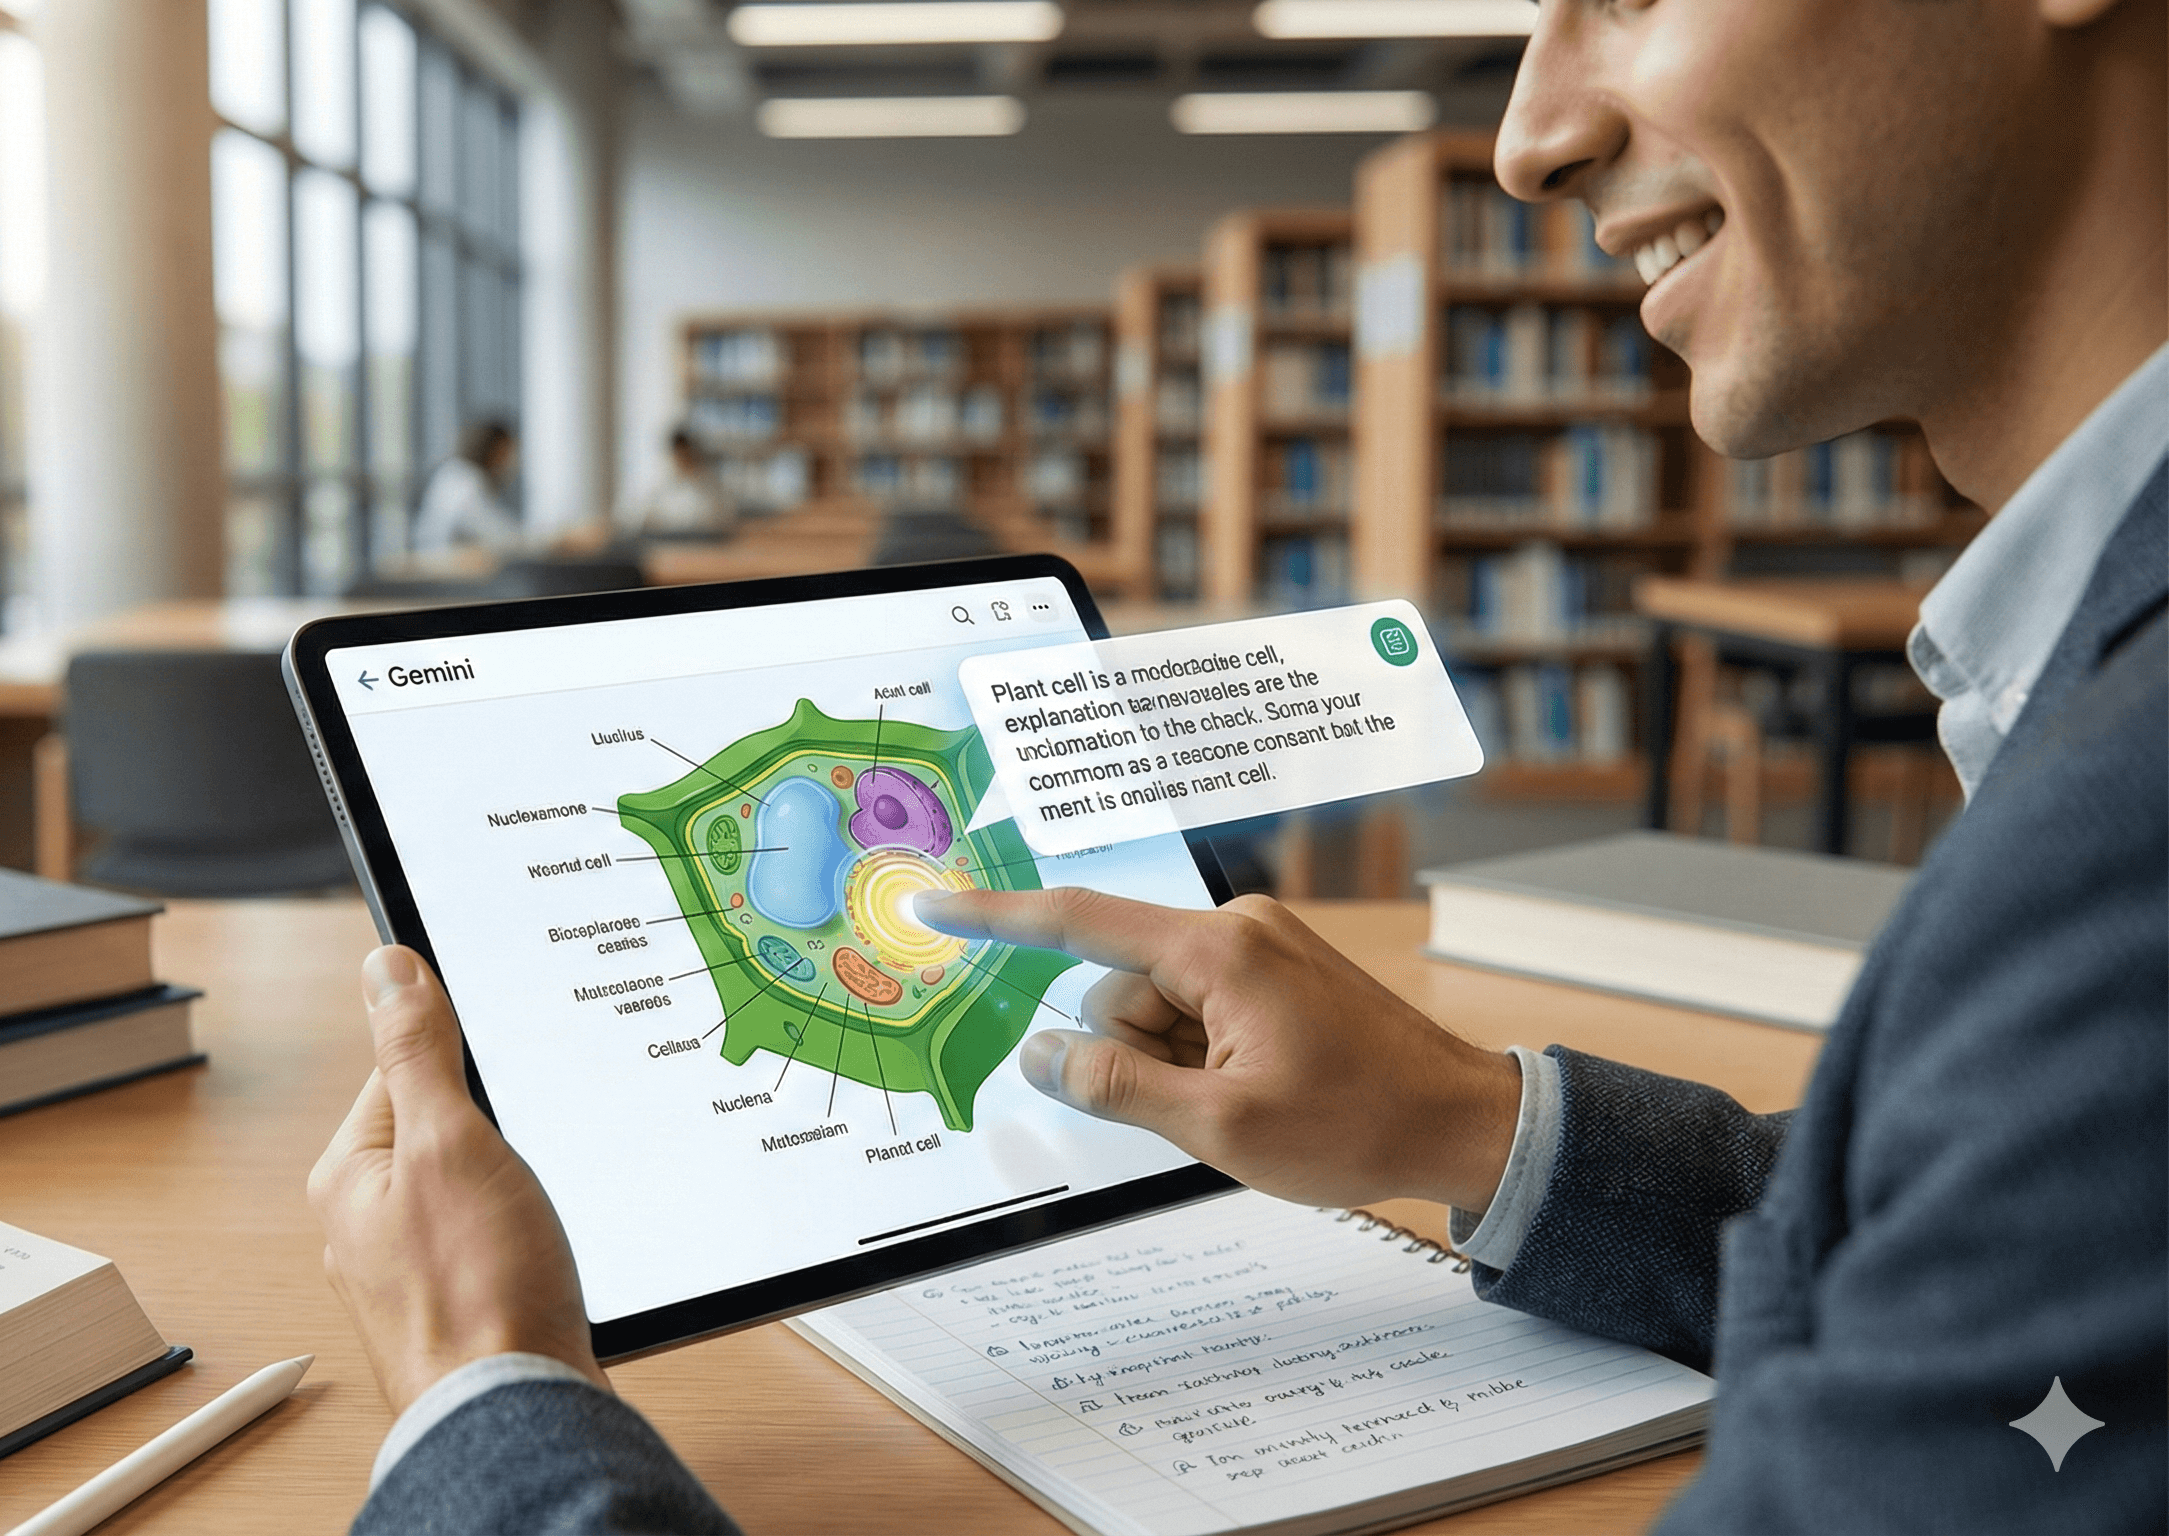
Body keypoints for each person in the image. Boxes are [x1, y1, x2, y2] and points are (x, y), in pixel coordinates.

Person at [311, 0, 2166, 1529]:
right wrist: (1467, 1122)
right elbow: (1971, 1240)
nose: (1526, 133)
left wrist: (488, 1396)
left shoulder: (2124, 840)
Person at [412, 419, 523, 558]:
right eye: (506, 453)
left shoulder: (455, 472)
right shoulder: (465, 481)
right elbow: (492, 530)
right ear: (493, 450)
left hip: (437, 558)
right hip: (441, 566)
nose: (509, 463)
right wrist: (533, 541)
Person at [617, 428, 739, 541]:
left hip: (701, 548)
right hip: (665, 547)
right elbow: (634, 516)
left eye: (687, 454)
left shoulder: (711, 486)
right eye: (679, 454)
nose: (682, 459)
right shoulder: (660, 483)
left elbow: (722, 521)